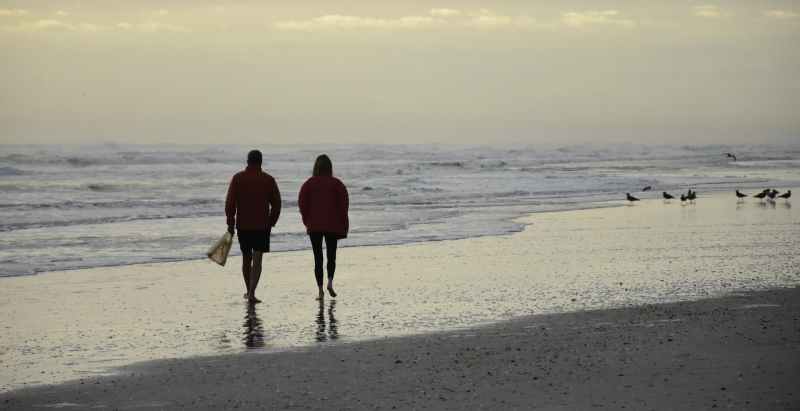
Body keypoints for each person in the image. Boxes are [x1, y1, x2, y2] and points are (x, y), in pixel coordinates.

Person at [225, 150, 281, 304]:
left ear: (247, 161)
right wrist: (271, 222)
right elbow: (277, 204)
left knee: (246, 258)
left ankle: (249, 291)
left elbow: (230, 203)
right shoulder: (268, 180)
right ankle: (251, 292)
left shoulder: (237, 178)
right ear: (261, 162)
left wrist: (230, 223)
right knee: (257, 260)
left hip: (243, 225)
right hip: (262, 226)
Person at [298, 154, 349, 300]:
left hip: (314, 226)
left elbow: (302, 203)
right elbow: (344, 205)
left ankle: (320, 291)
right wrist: (343, 224)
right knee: (331, 255)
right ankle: (330, 283)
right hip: (333, 225)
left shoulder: (308, 184)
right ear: (330, 167)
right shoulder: (337, 184)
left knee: (318, 257)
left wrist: (307, 220)